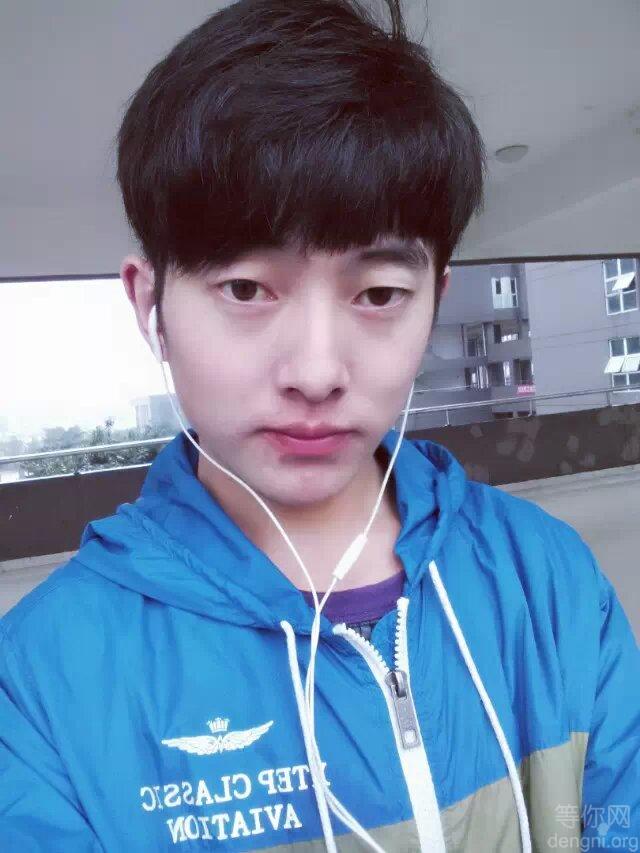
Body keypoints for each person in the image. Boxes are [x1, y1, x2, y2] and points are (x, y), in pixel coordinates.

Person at [1, 0, 638, 849]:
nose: (315, 370)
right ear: (150, 303)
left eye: (379, 294)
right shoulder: (40, 682)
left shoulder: (551, 582)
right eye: (246, 289)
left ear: (435, 301)